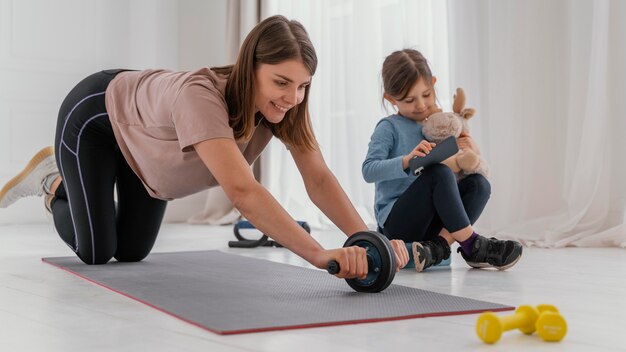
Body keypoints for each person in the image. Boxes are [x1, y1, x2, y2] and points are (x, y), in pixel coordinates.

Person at [0, 15, 409, 279]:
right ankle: (51, 182)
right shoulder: (201, 98)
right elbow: (242, 191)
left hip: (144, 142)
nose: (293, 97)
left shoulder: (283, 110)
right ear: (250, 68)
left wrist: (364, 238)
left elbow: (317, 178)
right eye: (281, 82)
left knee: (129, 254)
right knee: (95, 252)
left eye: (302, 86)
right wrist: (319, 255)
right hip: (96, 117)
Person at [362, 49, 522, 272]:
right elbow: (369, 170)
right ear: (391, 98)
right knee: (438, 173)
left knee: (479, 183)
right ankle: (471, 244)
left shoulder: (438, 125)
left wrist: (469, 150)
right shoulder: (389, 127)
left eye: (426, 94)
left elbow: (454, 174)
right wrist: (407, 161)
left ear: (434, 83)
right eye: (409, 99)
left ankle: (437, 247)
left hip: (432, 222)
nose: (420, 104)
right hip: (398, 222)